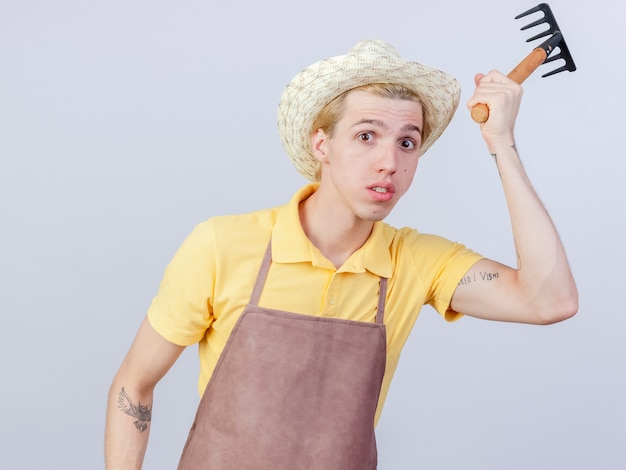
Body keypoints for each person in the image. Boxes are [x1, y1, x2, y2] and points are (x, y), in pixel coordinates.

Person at [104, 39, 578, 469]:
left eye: (407, 142)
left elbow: (550, 301)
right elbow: (135, 383)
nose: (389, 162)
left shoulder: (416, 261)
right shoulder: (222, 245)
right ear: (321, 143)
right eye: (366, 135)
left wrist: (502, 143)